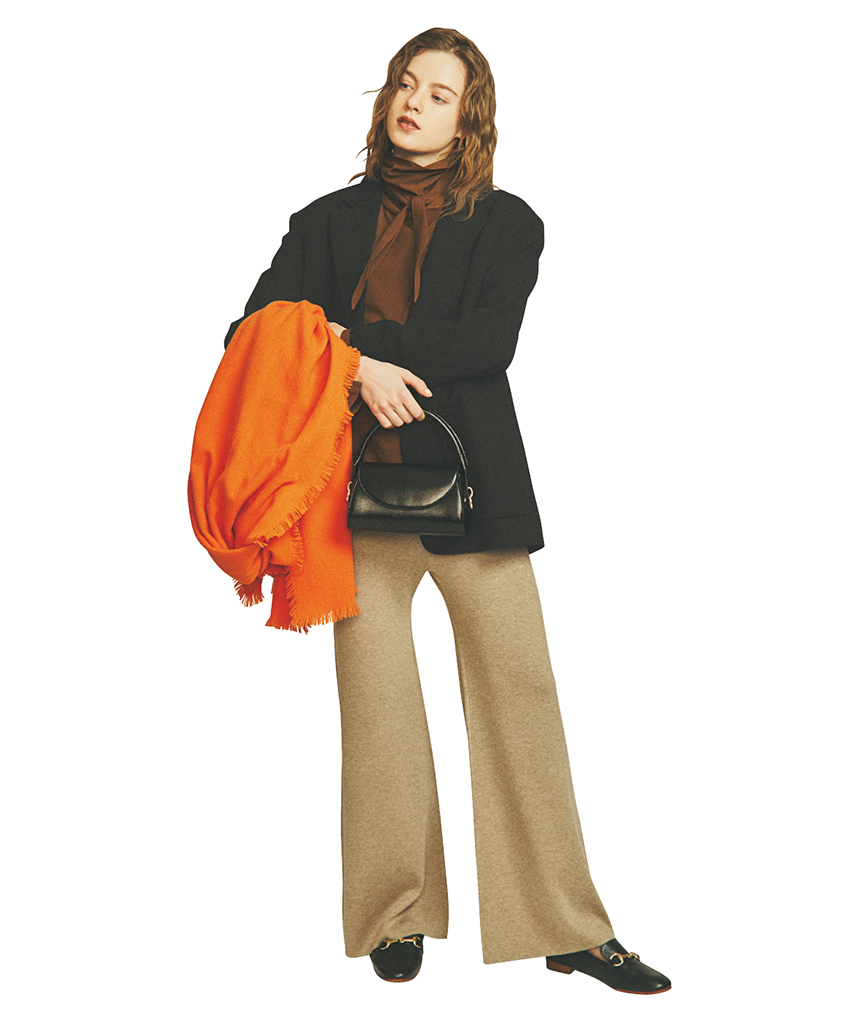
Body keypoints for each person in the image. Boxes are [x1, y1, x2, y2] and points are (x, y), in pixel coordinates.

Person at [224, 27, 670, 994]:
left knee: (521, 698)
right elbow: (248, 333)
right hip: (348, 499)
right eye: (404, 83)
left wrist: (347, 340)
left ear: (469, 119)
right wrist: (357, 366)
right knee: (377, 713)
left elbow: (482, 344)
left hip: (476, 490)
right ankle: (396, 916)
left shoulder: (508, 223)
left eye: (438, 93)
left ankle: (565, 927)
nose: (413, 102)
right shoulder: (324, 222)